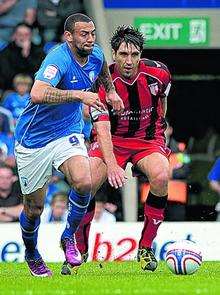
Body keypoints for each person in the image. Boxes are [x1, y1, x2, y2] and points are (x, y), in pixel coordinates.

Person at [14, 13, 125, 277]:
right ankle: (31, 253)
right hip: (34, 139)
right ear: (68, 36)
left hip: (68, 131)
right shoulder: (58, 58)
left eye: (92, 33)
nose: (90, 39)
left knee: (85, 182)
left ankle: (68, 237)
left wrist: (109, 91)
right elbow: (37, 93)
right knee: (34, 209)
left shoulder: (96, 54)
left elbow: (101, 71)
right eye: (83, 34)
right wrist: (78, 94)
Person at [69, 25, 172, 274]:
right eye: (123, 54)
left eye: (134, 54)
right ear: (113, 54)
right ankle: (81, 249)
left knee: (161, 175)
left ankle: (146, 247)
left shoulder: (160, 74)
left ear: (141, 54)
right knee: (87, 182)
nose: (129, 61)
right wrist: (113, 164)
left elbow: (163, 106)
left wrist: (157, 135)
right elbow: (102, 129)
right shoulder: (101, 81)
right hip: (110, 139)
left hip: (146, 140)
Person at [0, 23, 45, 91]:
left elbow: (39, 72)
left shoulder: (38, 50)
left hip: (33, 89)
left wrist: (26, 55)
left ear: (31, 36)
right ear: (14, 35)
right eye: (20, 34)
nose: (22, 38)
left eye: (26, 35)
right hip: (11, 88)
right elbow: (5, 73)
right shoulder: (6, 51)